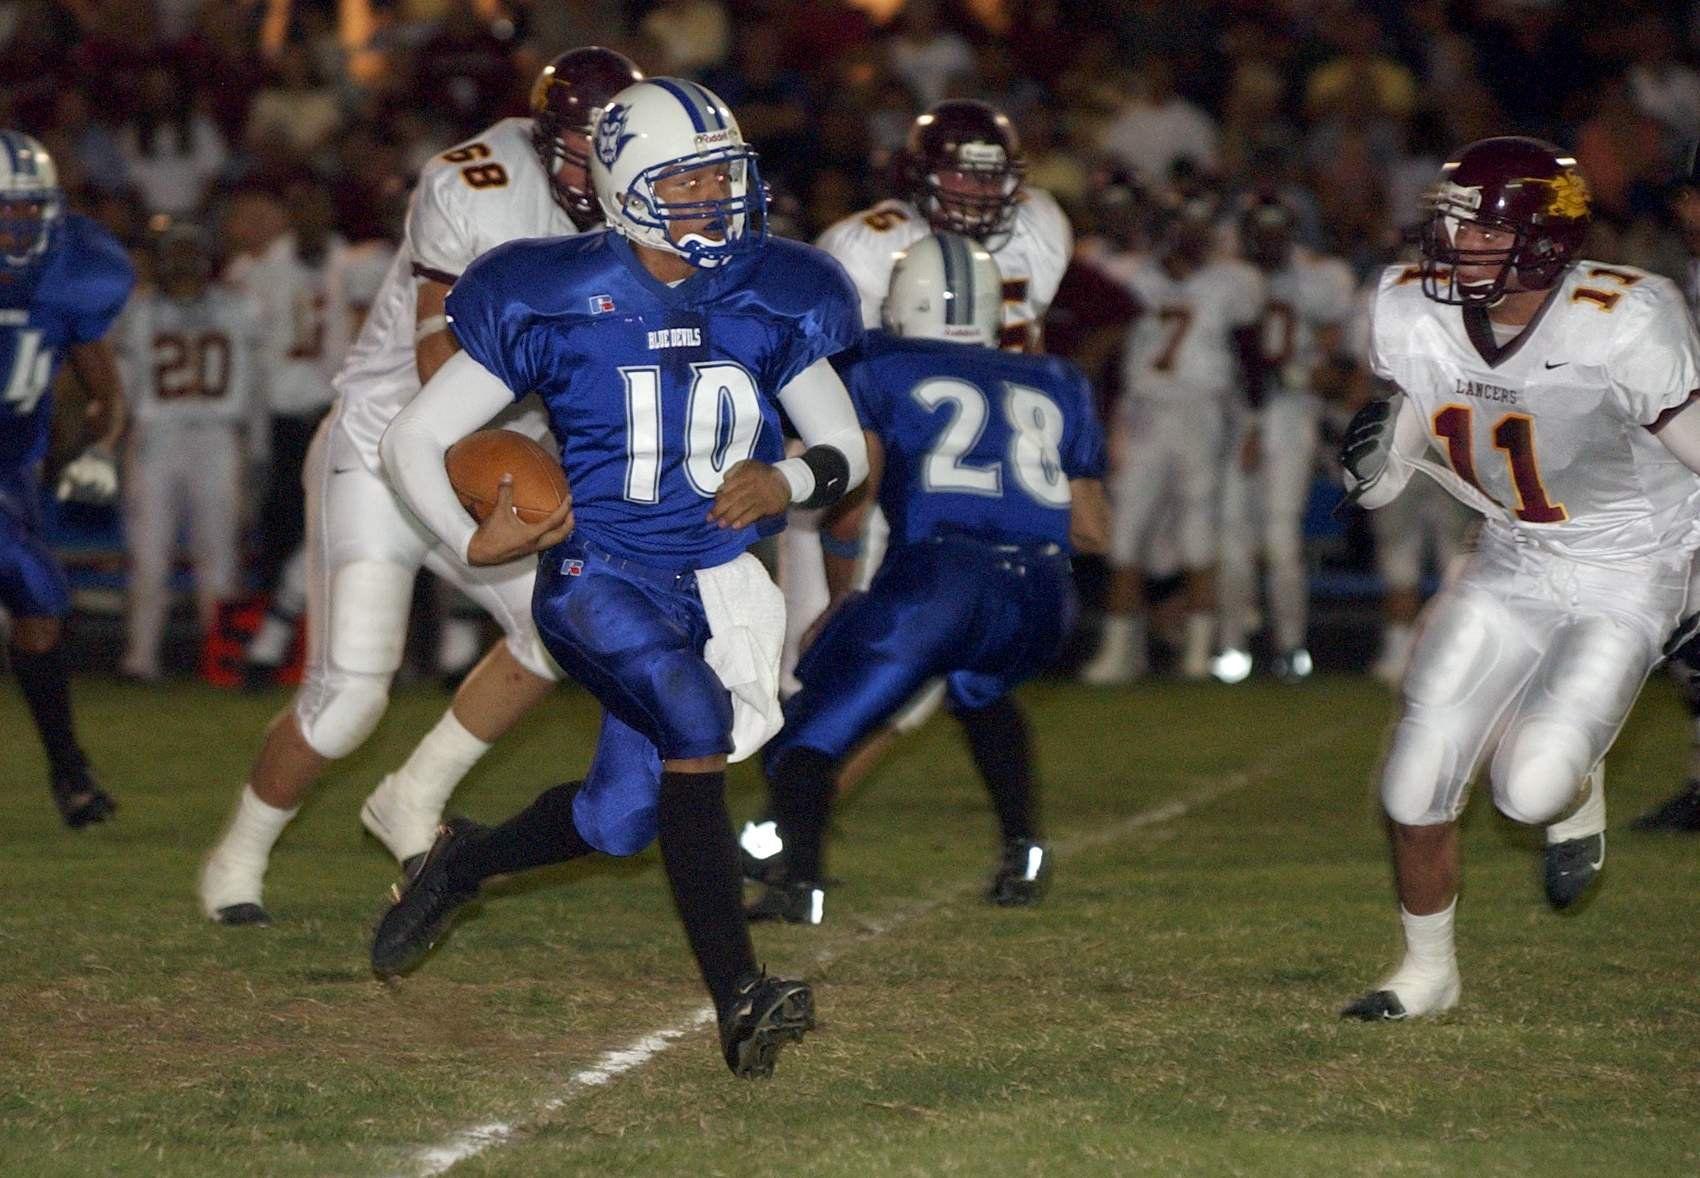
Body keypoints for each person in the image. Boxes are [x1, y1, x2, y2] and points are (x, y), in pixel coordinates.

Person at [369, 78, 868, 1078]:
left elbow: (847, 446)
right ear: (625, 187)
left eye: (724, 177)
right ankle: (740, 993)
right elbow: (412, 437)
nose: (717, 200)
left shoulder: (775, 285)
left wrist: (787, 476)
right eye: (689, 182)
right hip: (598, 571)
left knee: (619, 817)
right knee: (695, 726)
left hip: (715, 579)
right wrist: (465, 541)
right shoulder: (548, 290)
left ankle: (463, 858)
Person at [198, 48, 643, 926]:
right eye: (587, 148)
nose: (604, 171)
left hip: (506, 450)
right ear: (549, 137)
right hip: (385, 448)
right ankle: (238, 855)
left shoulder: (645, 208)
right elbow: (441, 364)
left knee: (556, 632)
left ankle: (412, 796)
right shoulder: (472, 181)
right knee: (350, 697)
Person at [1338, 137, 1700, 1020]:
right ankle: (1427, 973)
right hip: (1512, 555)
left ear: (1542, 238)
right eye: (1451, 227)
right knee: (1412, 776)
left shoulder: (1626, 317)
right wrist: (1382, 464)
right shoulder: (1405, 305)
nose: (1455, 247)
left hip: (1632, 562)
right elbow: (1402, 447)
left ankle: (1575, 792)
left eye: (1479, 231)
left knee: (1530, 785)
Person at [746, 233, 1107, 925]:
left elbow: (853, 509)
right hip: (1043, 592)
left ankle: (800, 886)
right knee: (980, 693)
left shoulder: (881, 362)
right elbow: (1093, 530)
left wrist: (848, 597)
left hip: (941, 578)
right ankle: (1023, 849)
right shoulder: (1059, 379)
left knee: (805, 738)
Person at [753, 98, 1072, 852]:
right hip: (859, 469)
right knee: (805, 676)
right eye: (961, 179)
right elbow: (852, 413)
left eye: (992, 182)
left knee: (898, 689)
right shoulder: (866, 247)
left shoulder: (1041, 226)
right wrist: (845, 582)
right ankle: (775, 836)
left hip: (966, 487)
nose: (980, 198)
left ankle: (779, 848)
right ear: (919, 179)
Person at [0, 130, 133, 828]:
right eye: (6, 210)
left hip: (14, 469)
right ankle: (74, 778)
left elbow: (107, 391)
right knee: (41, 595)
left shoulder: (72, 273)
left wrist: (98, 447)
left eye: (28, 208)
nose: (18, 224)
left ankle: (70, 775)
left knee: (42, 616)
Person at [1079, 197, 1266, 684]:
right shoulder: (1133, 276)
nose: (1197, 238)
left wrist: (1252, 424)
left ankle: (1198, 653)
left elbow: (1250, 359)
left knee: (1198, 533)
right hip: (1145, 411)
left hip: (1201, 412)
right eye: (1188, 227)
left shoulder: (1231, 281)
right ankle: (1120, 652)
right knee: (1125, 534)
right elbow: (1109, 347)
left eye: (1202, 228)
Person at [1213, 197, 1354, 683]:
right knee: (1231, 537)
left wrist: (1309, 374)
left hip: (1291, 416)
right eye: (1261, 234)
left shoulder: (1319, 278)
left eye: (1277, 234)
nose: (1269, 244)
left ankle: (1291, 646)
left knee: (1280, 536)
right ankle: (1232, 646)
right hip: (1235, 416)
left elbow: (1337, 359)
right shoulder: (1228, 277)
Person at [115, 223, 264, 681]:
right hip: (157, 437)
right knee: (148, 554)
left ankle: (216, 656)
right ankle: (141, 658)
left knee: (217, 554)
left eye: (190, 253)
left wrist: (255, 451)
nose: (181, 264)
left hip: (217, 435)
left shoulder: (239, 308)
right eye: (173, 254)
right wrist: (118, 447)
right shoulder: (138, 312)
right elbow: (123, 387)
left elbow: (256, 388)